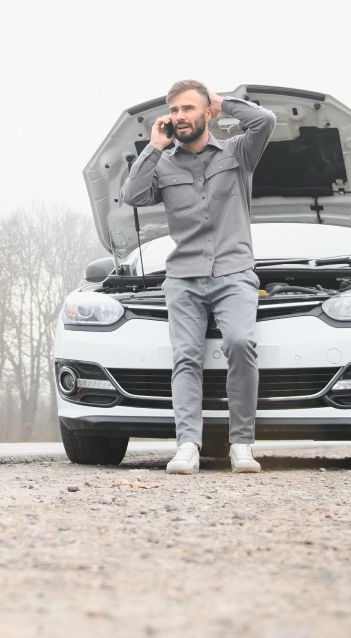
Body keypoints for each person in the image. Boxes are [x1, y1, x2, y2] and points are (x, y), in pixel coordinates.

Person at [122, 80, 276, 474]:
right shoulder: (163, 163)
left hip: (234, 272)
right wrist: (153, 147)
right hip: (184, 277)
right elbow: (133, 195)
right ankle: (187, 444)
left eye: (188, 109)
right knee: (185, 358)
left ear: (206, 113)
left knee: (241, 344)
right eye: (173, 110)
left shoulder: (237, 153)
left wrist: (221, 102)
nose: (179, 117)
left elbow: (264, 120)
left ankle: (241, 444)